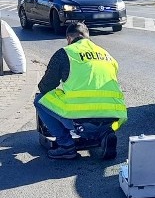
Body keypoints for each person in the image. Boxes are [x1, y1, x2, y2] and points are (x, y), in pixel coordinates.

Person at [35, 22, 127, 159]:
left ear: (69, 38)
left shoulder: (66, 53)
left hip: (82, 122)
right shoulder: (107, 55)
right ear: (87, 37)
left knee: (39, 99)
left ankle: (66, 146)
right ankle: (104, 134)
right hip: (112, 118)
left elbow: (44, 87)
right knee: (97, 118)